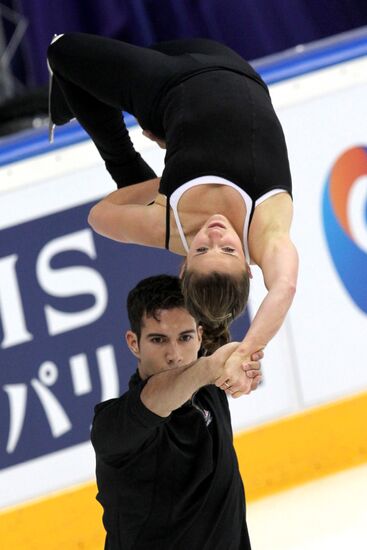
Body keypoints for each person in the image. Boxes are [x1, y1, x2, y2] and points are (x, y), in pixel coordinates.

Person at [47, 33, 298, 396]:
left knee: (62, 51)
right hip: (230, 64)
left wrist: (169, 179)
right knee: (85, 76)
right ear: (248, 264)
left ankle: (75, 89)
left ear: (183, 264)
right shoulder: (267, 231)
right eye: (227, 250)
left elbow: (99, 216)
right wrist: (245, 351)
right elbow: (285, 287)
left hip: (169, 84)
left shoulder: (171, 228)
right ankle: (78, 90)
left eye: (200, 250)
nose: (214, 235)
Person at [91, 274, 263, 550]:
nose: (174, 354)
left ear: (200, 336)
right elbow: (157, 394)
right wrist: (211, 367)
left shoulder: (209, 387)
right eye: (158, 340)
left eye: (185, 338)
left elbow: (224, 277)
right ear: (133, 343)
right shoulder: (113, 427)